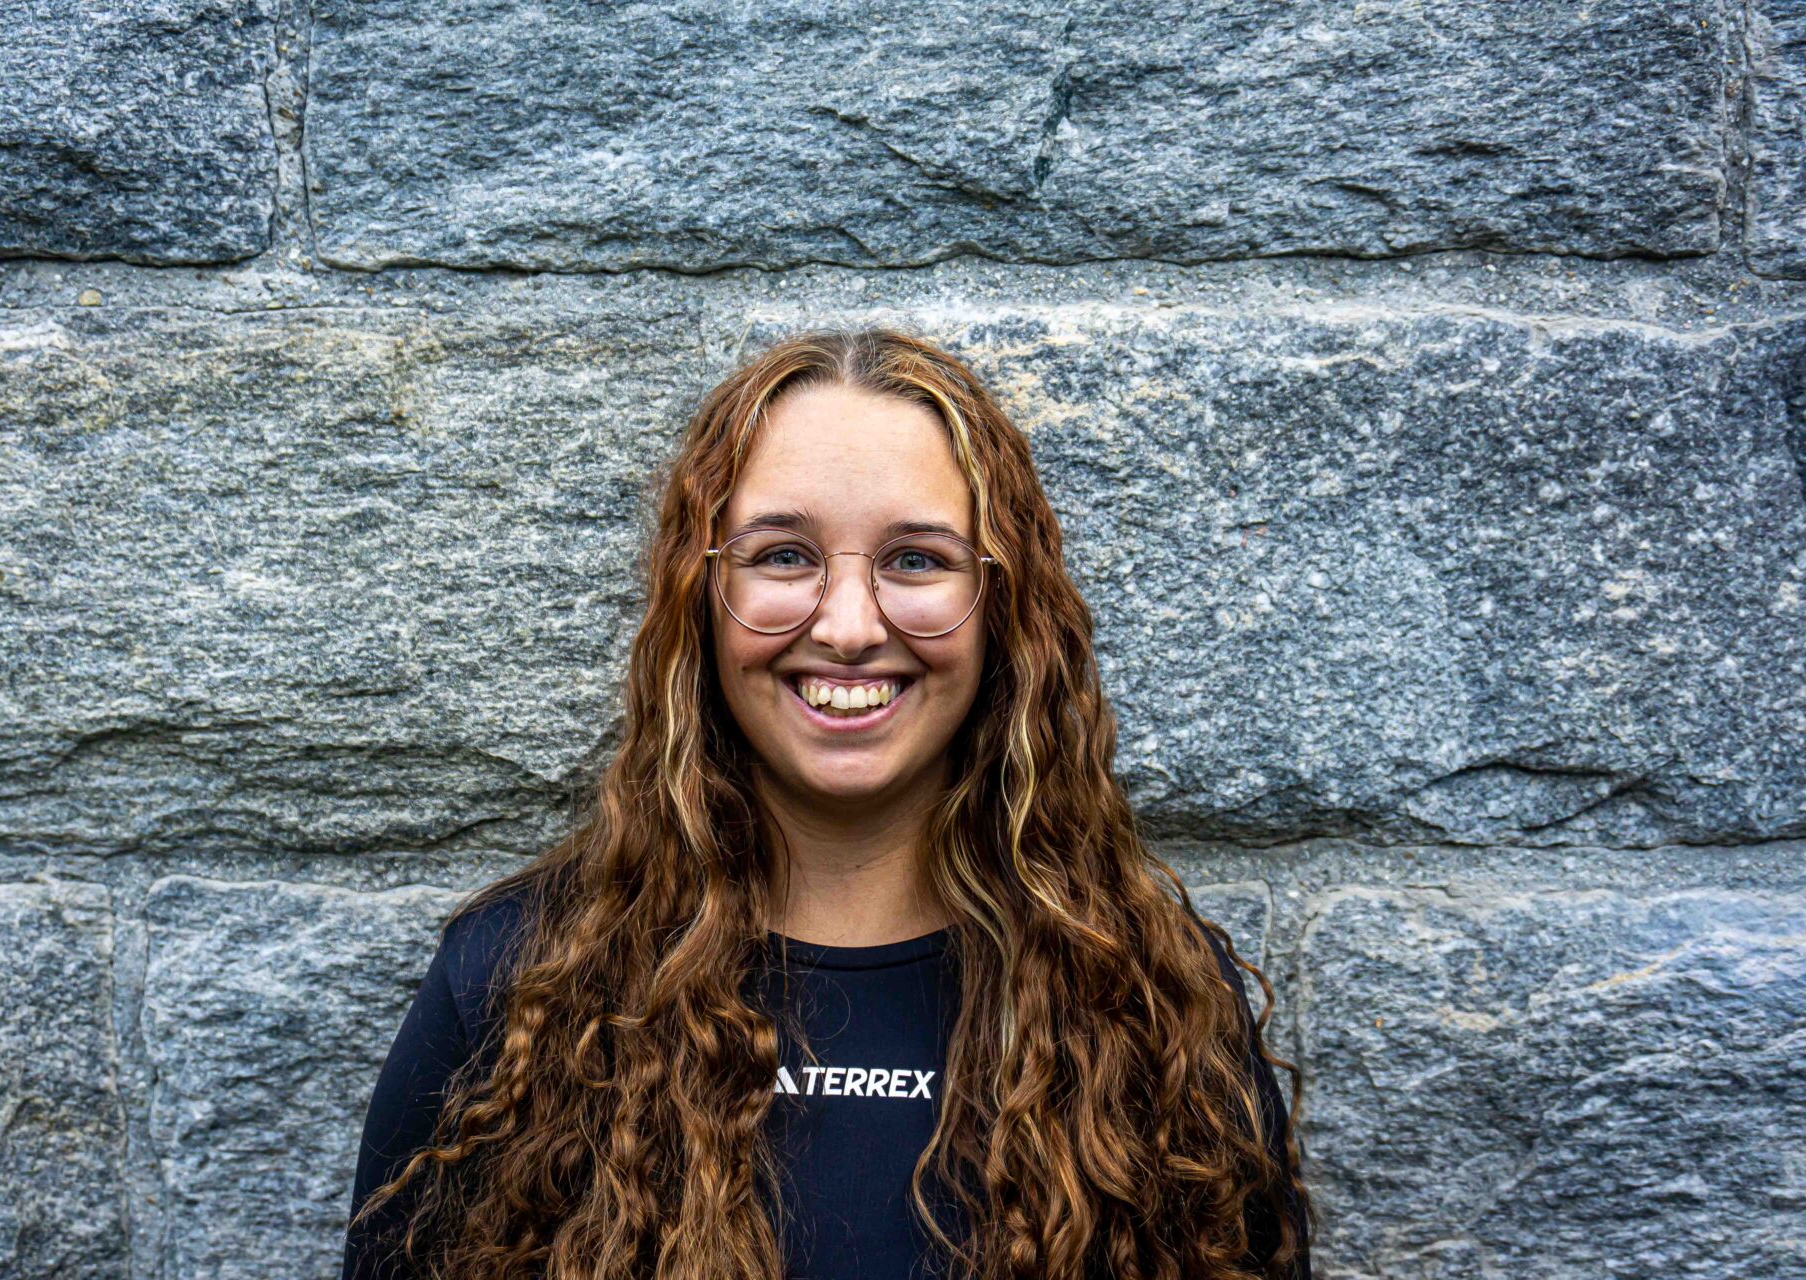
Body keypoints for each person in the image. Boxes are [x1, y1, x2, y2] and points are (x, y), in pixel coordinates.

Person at [343, 328, 1313, 1280]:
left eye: (918, 559)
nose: (849, 626)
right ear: (701, 594)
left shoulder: (1153, 1004)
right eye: (782, 555)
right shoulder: (513, 987)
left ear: (1004, 605)